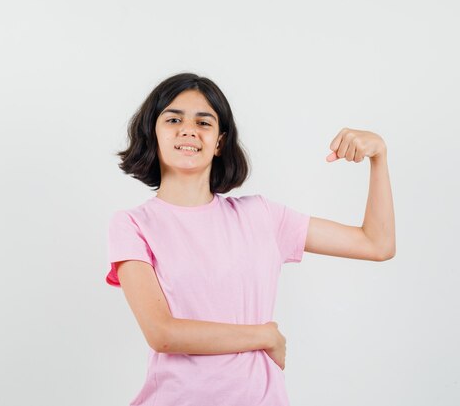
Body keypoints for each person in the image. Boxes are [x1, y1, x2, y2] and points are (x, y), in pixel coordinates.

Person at [105, 72, 395, 406]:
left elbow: (377, 244)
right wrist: (263, 336)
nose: (188, 130)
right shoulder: (132, 224)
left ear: (219, 142)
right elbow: (162, 334)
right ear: (153, 133)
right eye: (173, 119)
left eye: (204, 122)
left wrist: (379, 157)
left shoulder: (262, 217)